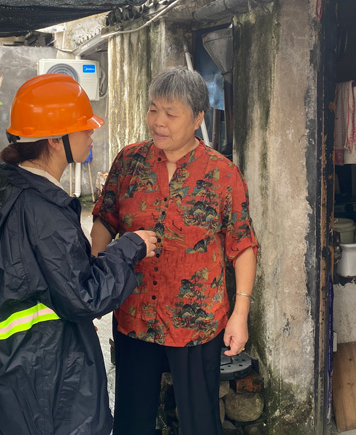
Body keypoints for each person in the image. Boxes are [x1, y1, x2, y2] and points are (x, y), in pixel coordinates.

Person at [0, 73, 157, 435]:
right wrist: (131, 246)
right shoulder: (44, 213)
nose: (91, 134)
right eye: (83, 127)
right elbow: (84, 297)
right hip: (40, 387)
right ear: (54, 139)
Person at [91, 66, 259, 435]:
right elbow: (105, 220)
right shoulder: (129, 162)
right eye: (153, 109)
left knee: (200, 423)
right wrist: (94, 282)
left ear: (198, 117)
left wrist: (240, 313)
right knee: (132, 421)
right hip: (135, 314)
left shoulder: (222, 174)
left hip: (196, 322)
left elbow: (242, 244)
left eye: (171, 113)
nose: (158, 121)